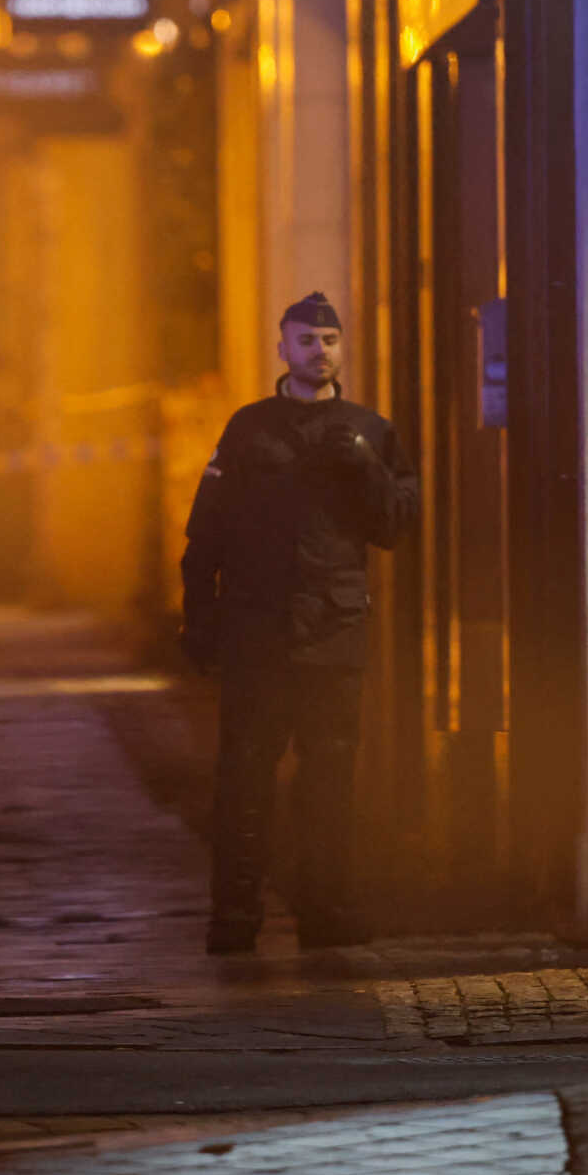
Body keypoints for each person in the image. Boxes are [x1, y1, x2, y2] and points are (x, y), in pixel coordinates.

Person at [179, 292, 419, 955]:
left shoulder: (371, 431)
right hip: (259, 634)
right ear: (282, 347)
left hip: (334, 639)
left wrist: (365, 466)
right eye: (307, 339)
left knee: (330, 783)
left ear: (344, 349)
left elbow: (397, 525)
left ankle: (328, 911)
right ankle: (234, 917)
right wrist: (199, 618)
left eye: (331, 339)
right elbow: (207, 530)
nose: (320, 350)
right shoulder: (249, 428)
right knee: (244, 781)